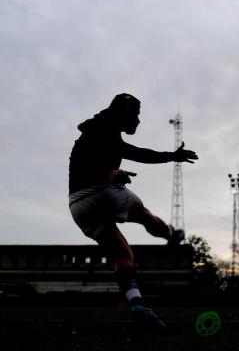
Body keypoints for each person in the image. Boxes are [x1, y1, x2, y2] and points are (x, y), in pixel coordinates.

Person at [68, 93, 198, 331]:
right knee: (142, 213)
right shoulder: (105, 131)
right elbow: (138, 154)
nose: (138, 121)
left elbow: (85, 161)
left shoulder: (96, 131)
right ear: (123, 114)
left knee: (123, 255)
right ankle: (170, 234)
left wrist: (108, 173)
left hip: (77, 206)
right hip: (99, 192)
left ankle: (136, 303)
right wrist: (173, 157)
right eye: (136, 115)